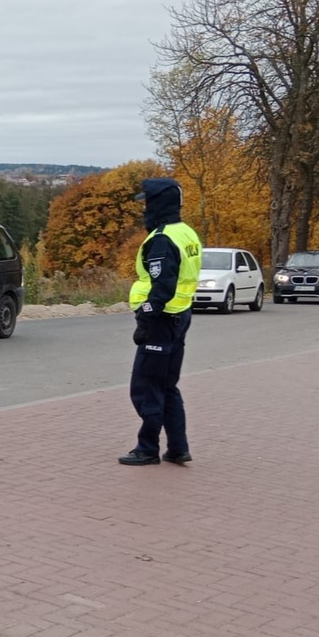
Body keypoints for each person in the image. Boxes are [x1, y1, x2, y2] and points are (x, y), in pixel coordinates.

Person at [119, 177, 202, 466]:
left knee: (146, 386)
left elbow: (162, 286)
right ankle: (178, 447)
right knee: (168, 385)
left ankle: (147, 448)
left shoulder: (162, 239)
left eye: (147, 202)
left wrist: (146, 319)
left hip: (162, 320)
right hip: (181, 315)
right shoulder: (187, 233)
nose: (144, 209)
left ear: (158, 204)